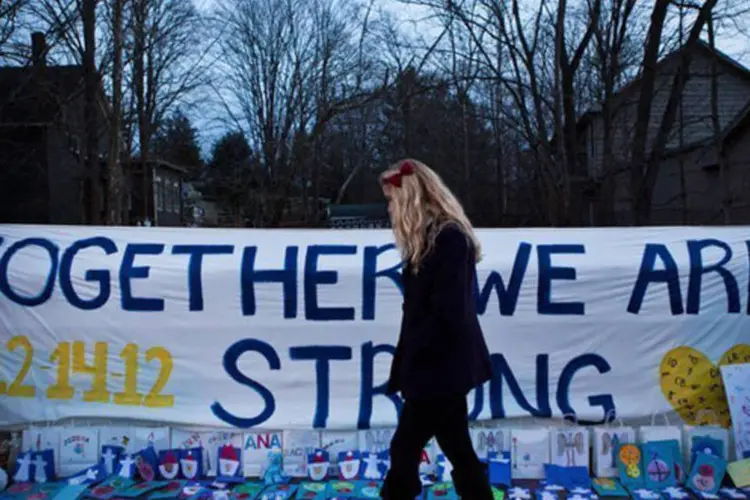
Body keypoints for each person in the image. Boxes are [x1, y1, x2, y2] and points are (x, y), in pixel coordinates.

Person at [380, 159, 494, 499]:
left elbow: (448, 313)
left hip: (440, 370)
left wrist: (416, 367)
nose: (389, 207)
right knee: (458, 448)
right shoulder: (429, 241)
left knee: (404, 449)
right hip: (436, 368)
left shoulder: (449, 239)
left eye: (391, 199)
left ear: (410, 198)